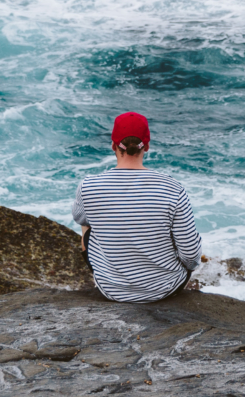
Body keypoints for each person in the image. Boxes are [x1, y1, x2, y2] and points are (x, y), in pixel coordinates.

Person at [72, 111, 203, 302]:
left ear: (114, 146)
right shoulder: (172, 188)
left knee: (87, 223)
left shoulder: (88, 186)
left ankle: (117, 275)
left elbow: (78, 218)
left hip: (110, 290)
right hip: (166, 288)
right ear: (147, 146)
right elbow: (190, 254)